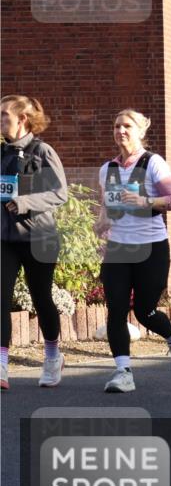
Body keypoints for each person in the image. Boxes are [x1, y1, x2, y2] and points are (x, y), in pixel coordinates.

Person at [95, 109, 171, 392]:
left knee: (145, 310)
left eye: (126, 126)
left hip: (151, 247)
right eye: (116, 126)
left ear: (140, 131)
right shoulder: (107, 169)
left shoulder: (153, 163)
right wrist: (101, 222)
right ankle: (123, 372)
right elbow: (107, 208)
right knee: (116, 310)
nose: (120, 131)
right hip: (119, 248)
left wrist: (143, 200)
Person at [1, 95, 68, 390]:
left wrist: (25, 201)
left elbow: (60, 193)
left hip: (39, 238)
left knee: (41, 298)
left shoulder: (43, 151)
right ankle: (2, 366)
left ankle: (53, 356)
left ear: (22, 119)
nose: (0, 120)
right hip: (5, 238)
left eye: (4, 115)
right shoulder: (1, 154)